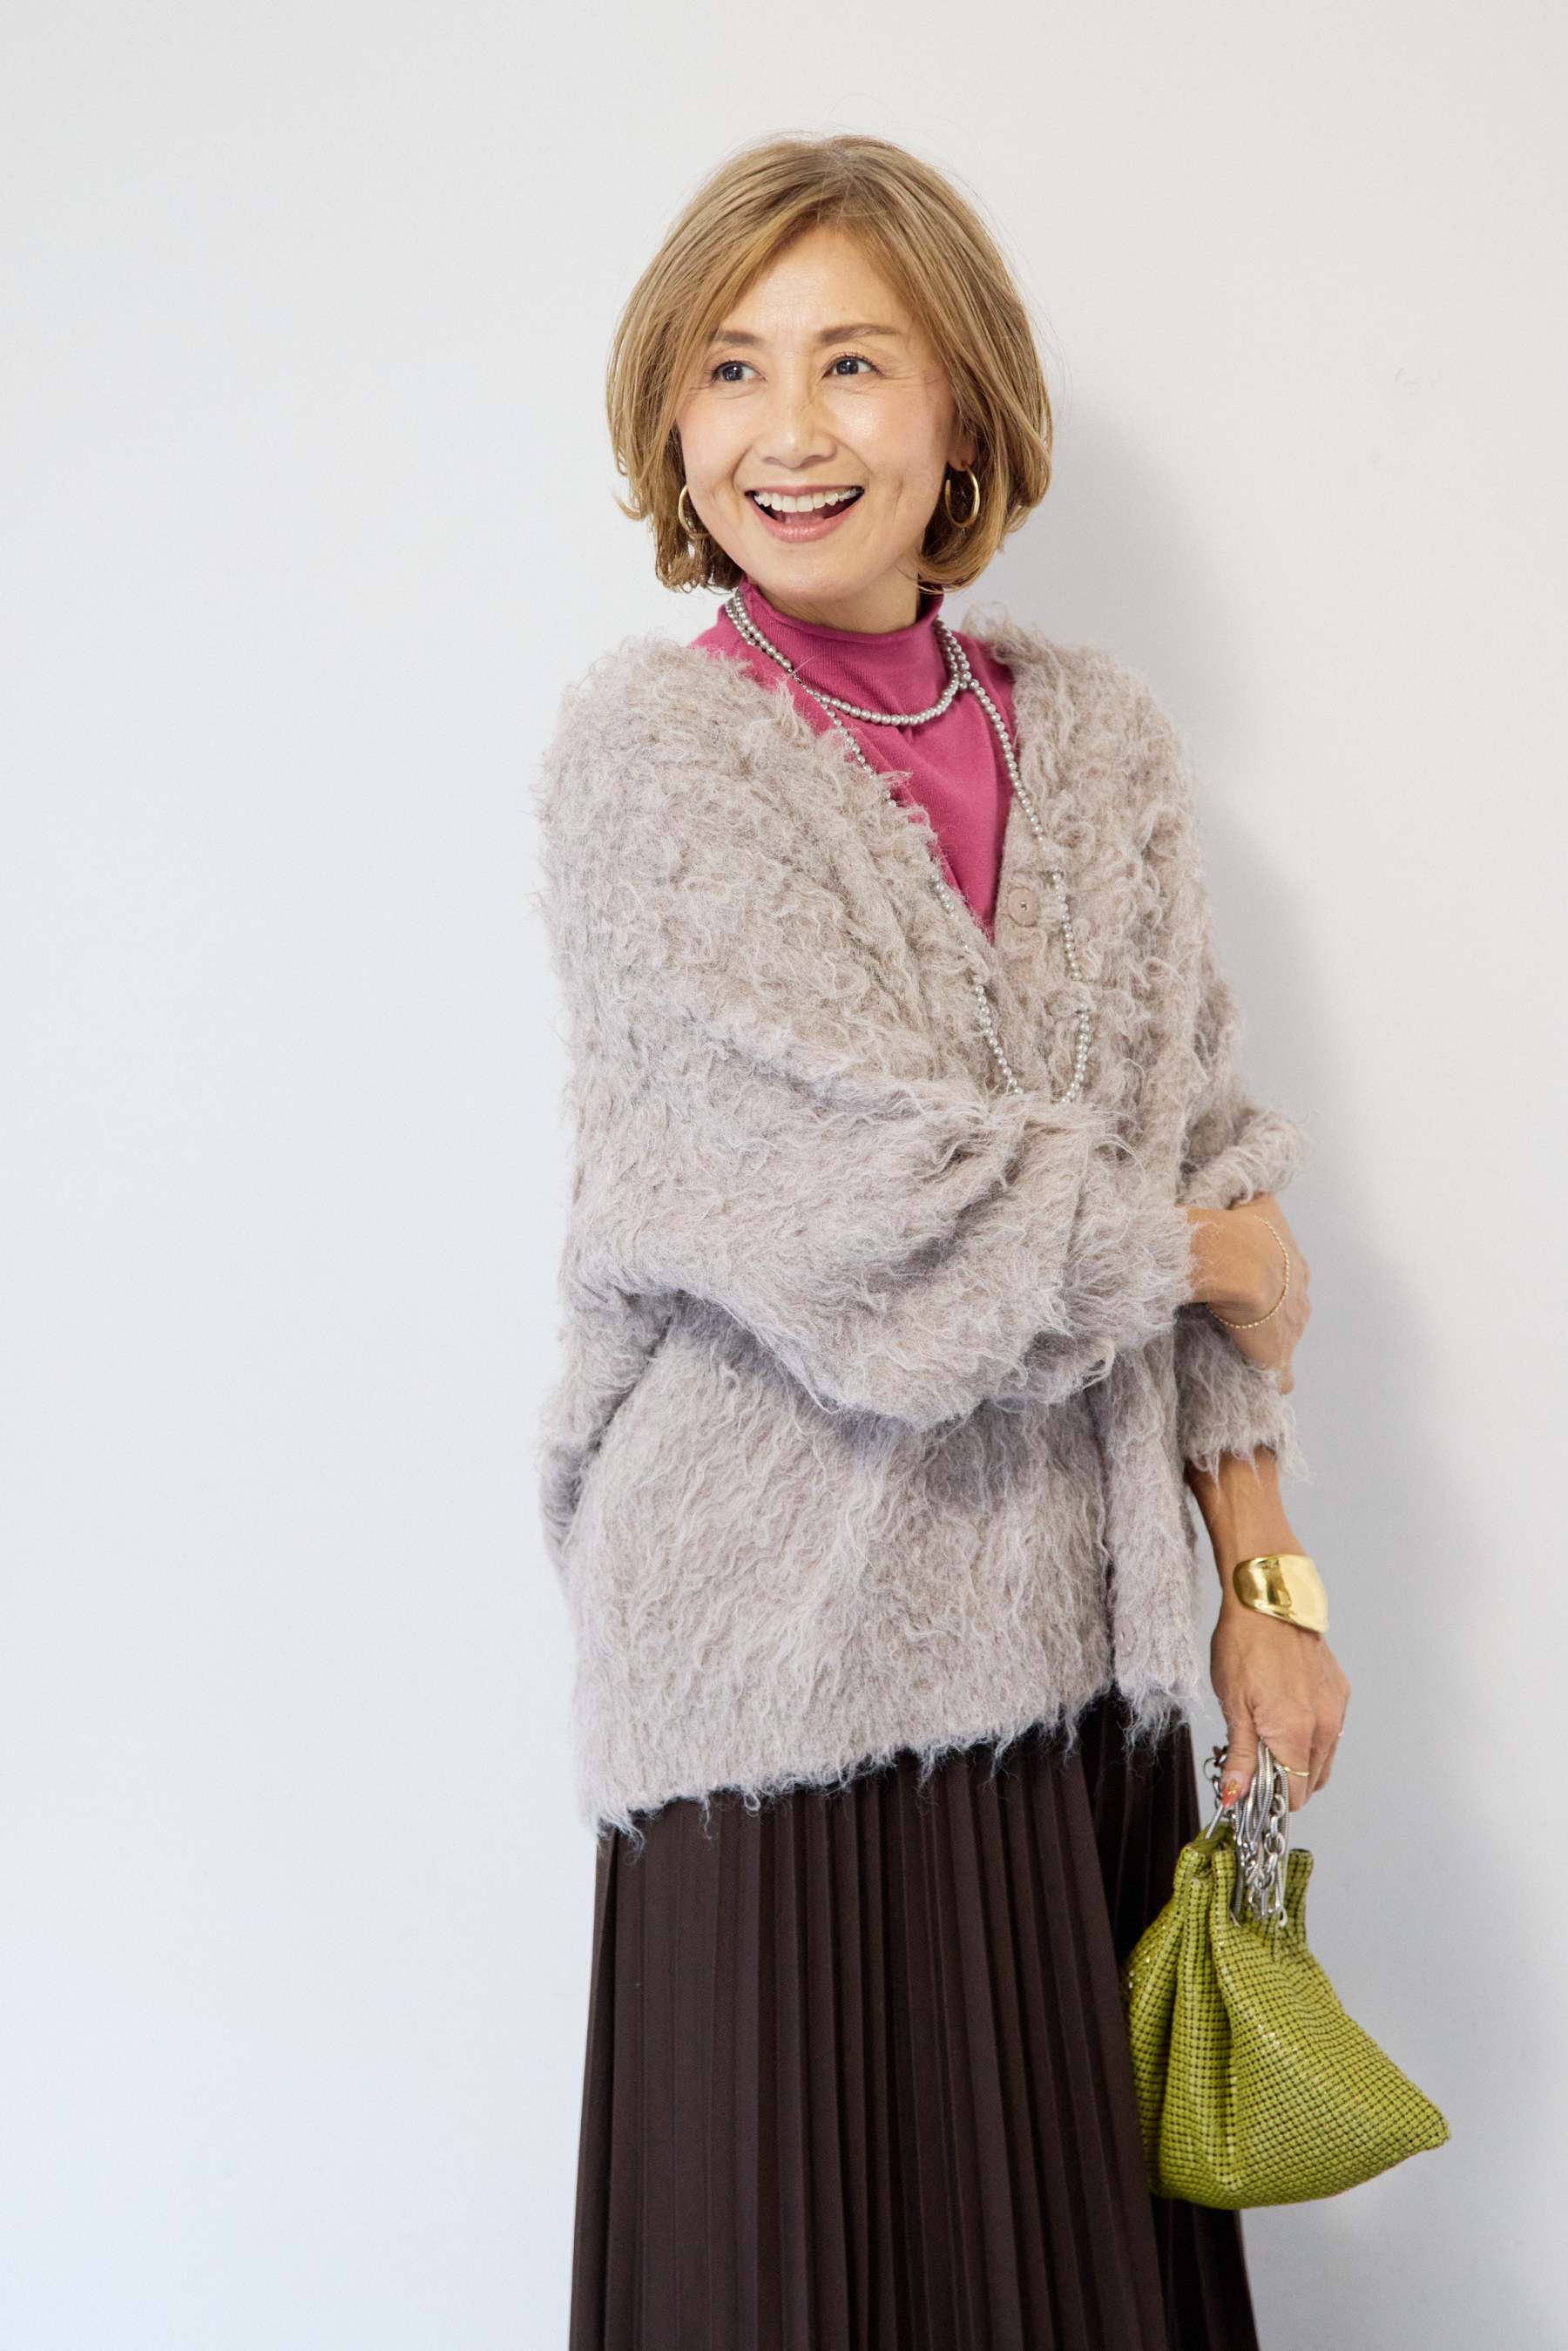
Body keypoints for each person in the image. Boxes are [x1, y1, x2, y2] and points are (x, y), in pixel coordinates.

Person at [532, 132, 1351, 2351]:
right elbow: (862, 1219)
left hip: (1086, 1659)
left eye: (852, 362)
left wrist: (1265, 1584)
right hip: (787, 1679)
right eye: (730, 368)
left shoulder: (1095, 744)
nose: (787, 431)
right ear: (671, 422)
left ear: (961, 407)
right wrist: (1193, 1252)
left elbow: (1205, 1135)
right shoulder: (654, 764)